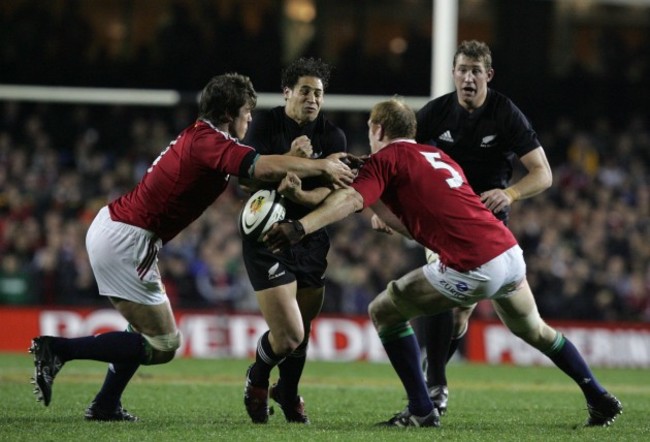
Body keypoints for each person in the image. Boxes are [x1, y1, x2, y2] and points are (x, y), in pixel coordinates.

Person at [264, 98, 622, 428]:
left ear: (377, 129)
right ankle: (597, 395)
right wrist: (381, 209)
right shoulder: (438, 157)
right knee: (536, 331)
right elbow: (422, 225)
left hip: (474, 264)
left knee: (384, 311)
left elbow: (349, 199)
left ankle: (421, 408)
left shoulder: (384, 161)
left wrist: (301, 226)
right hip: (507, 253)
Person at [29, 73, 355, 421]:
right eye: (247, 111)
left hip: (122, 229)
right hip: (127, 238)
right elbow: (259, 165)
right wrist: (320, 165)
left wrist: (293, 158)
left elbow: (256, 173)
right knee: (164, 343)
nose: (250, 118)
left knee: (143, 329)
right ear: (230, 113)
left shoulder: (204, 137)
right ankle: (57, 349)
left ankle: (105, 404)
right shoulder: (209, 141)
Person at [411, 39, 553, 415]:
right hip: (442, 222)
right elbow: (399, 153)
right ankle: (436, 383)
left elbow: (543, 174)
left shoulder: (505, 113)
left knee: (461, 313)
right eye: (462, 70)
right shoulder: (436, 113)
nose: (468, 78)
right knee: (442, 289)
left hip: (488, 228)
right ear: (453, 73)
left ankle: (433, 371)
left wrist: (511, 194)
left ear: (488, 75)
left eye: (476, 71)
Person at [239, 57, 350, 425]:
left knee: (302, 332)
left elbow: (335, 196)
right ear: (287, 92)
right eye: (305, 91)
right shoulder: (265, 125)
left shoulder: (333, 137)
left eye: (318, 93)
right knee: (288, 336)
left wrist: (300, 196)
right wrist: (289, 159)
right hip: (267, 237)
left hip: (311, 238)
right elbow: (243, 181)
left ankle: (286, 393)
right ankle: (257, 378)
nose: (313, 99)